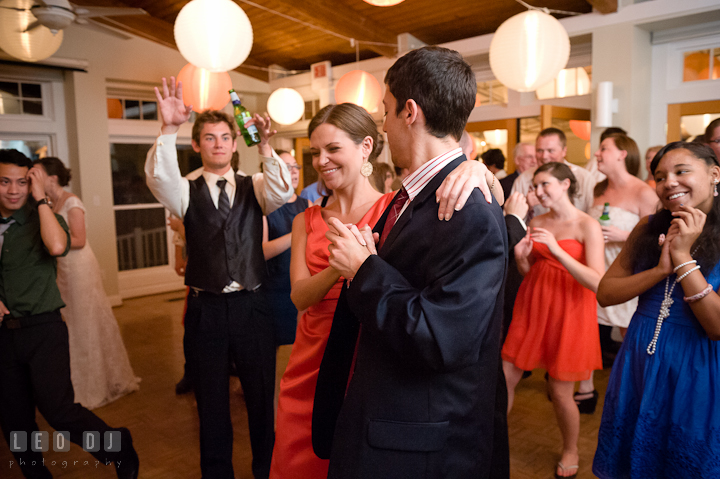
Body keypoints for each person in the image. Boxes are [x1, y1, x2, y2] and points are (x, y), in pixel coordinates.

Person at [314, 46, 509, 479]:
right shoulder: (416, 194)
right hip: (385, 413)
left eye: (384, 110)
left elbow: (441, 337)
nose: (381, 125)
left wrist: (363, 269)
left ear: (409, 112)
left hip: (418, 443)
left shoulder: (466, 208)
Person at [145, 77, 293, 479]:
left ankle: (267, 470)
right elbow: (159, 178)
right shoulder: (184, 191)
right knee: (210, 403)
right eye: (209, 138)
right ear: (197, 145)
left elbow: (284, 189)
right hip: (205, 310)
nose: (219, 144)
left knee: (262, 398)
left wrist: (264, 146)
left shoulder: (256, 186)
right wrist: (168, 128)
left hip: (252, 306)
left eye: (225, 137)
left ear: (234, 142)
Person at [0, 149, 139, 479]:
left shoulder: (44, 218)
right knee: (14, 418)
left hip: (43, 328)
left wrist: (41, 201)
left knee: (59, 412)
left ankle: (116, 446)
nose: (13, 190)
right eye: (5, 181)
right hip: (3, 335)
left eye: (22, 182)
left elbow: (58, 246)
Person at [593, 142, 720, 478]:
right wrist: (659, 270)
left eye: (681, 172)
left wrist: (681, 258)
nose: (669, 183)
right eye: (661, 177)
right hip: (638, 357)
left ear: (714, 174)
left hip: (696, 366)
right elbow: (606, 293)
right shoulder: (648, 228)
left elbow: (717, 326)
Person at [502, 162, 604, 478]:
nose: (538, 191)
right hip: (533, 302)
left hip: (571, 309)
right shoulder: (539, 220)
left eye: (545, 184)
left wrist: (559, 252)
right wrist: (521, 257)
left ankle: (571, 449)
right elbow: (529, 271)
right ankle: (490, 438)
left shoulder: (588, 224)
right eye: (535, 186)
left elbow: (598, 281)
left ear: (565, 185)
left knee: (560, 391)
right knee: (504, 376)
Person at [35, 157, 140, 409]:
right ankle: (71, 381)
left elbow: (79, 239)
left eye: (38, 174)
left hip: (79, 267)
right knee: (69, 322)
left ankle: (91, 385)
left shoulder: (72, 202)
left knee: (84, 322)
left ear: (53, 178)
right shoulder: (49, 203)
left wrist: (54, 238)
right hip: (63, 268)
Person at [574, 135, 658, 413]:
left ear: (623, 154)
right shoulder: (597, 190)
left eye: (603, 149)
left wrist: (624, 235)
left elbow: (657, 236)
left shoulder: (643, 192)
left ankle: (634, 394)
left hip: (626, 275)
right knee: (587, 333)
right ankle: (586, 389)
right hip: (594, 272)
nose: (596, 154)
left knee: (631, 338)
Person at [262, 151, 312, 346]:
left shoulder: (306, 204)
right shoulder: (265, 206)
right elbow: (262, 251)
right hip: (273, 288)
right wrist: (296, 234)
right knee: (270, 346)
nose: (293, 171)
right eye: (286, 166)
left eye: (295, 166)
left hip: (300, 284)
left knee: (301, 345)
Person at [511, 128, 595, 214]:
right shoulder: (523, 180)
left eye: (550, 151)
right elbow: (512, 219)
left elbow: (592, 214)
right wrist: (527, 206)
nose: (544, 156)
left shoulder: (584, 178)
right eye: (540, 150)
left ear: (564, 151)